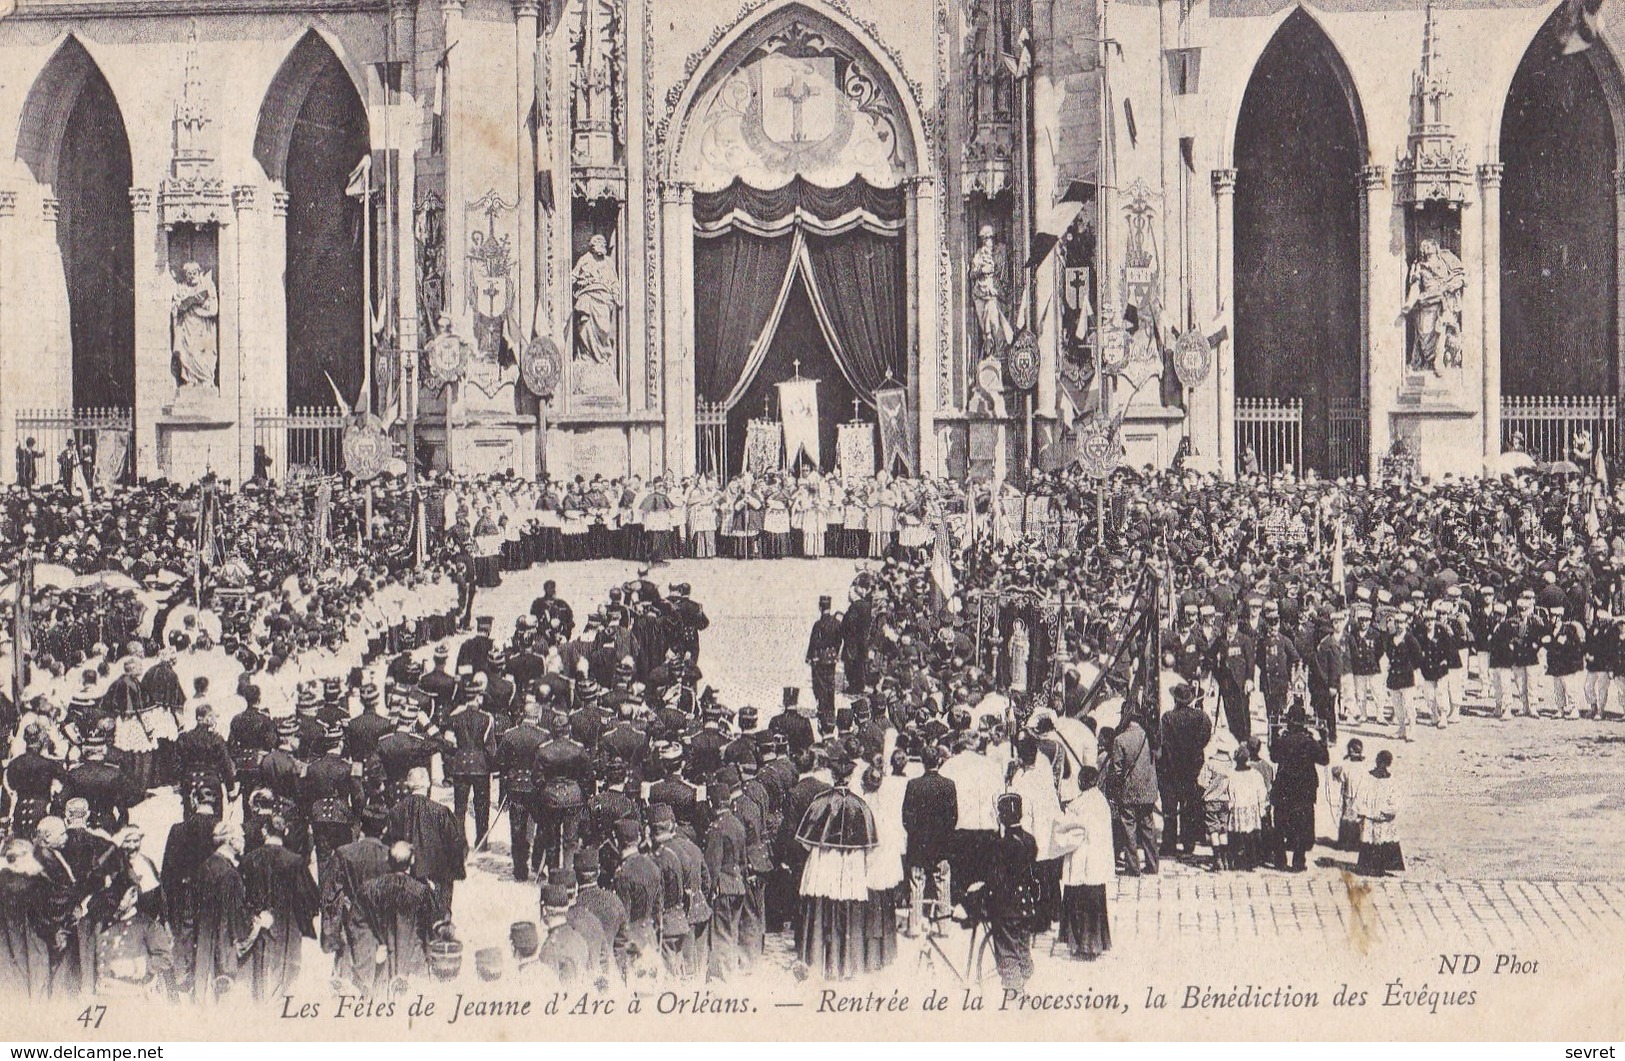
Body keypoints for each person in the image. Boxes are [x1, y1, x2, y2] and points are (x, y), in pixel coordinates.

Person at [793, 757, 876, 980]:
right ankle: (844, 966)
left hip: (823, 866)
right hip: (850, 867)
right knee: (847, 914)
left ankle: (817, 963)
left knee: (820, 913)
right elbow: (869, 846)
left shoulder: (819, 802)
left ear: (832, 776)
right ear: (850, 778)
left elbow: (805, 841)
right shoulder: (860, 805)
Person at [239, 815, 318, 1001]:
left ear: (264, 831)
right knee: (283, 973)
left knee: (258, 969)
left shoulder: (249, 859)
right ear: (286, 832)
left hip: (257, 921)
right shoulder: (295, 861)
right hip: (287, 925)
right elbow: (310, 898)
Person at [384, 768, 467, 918]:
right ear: (428, 784)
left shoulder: (396, 811)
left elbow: (391, 844)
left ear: (409, 784)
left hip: (407, 875)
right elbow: (455, 844)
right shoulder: (441, 811)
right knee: (440, 916)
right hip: (437, 876)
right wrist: (457, 869)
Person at [1051, 766, 1113, 961]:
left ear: (1080, 783)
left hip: (1081, 863)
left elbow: (1072, 835)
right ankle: (1097, 943)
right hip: (1098, 862)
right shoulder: (1102, 801)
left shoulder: (1078, 806)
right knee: (1096, 905)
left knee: (1079, 905)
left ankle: (1083, 946)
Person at [983, 792, 1039, 993]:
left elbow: (995, 880)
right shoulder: (1030, 840)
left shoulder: (1001, 845)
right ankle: (1024, 977)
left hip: (1007, 907)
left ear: (1003, 816)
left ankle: (1014, 991)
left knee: (1006, 948)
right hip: (1026, 905)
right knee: (1023, 945)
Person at [1270, 705, 1329, 872]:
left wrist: (1274, 734)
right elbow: (1324, 760)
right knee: (1302, 825)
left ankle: (1280, 859)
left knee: (1280, 824)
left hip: (1284, 788)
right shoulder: (1309, 742)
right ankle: (1298, 861)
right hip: (1305, 790)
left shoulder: (1283, 740)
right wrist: (1323, 740)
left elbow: (1274, 757)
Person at [1107, 713, 1159, 876]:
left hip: (1128, 790)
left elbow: (1117, 770)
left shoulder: (1120, 740)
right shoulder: (1149, 737)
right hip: (1148, 790)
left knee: (1128, 828)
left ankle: (1133, 867)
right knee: (1148, 827)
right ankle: (1152, 864)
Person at [1357, 750, 1404, 877]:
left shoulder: (1368, 778)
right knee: (1376, 840)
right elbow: (1395, 800)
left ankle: (1373, 868)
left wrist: (1367, 811)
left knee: (1374, 840)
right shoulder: (1389, 780)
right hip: (1377, 817)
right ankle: (1374, 868)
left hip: (1375, 816)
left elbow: (1360, 797)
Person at [1226, 747, 1270, 871]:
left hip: (1238, 808)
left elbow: (1230, 793)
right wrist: (1262, 807)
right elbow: (1262, 792)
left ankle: (1238, 860)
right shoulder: (1255, 774)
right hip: (1251, 808)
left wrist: (1231, 804)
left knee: (1238, 835)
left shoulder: (1232, 774)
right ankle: (1251, 861)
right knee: (1250, 835)